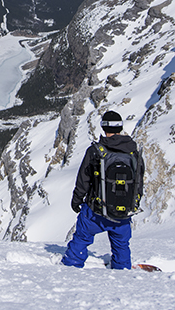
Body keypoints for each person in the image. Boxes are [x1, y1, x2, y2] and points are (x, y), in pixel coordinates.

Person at [61, 110, 144, 270]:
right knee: (121, 246)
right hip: (122, 212)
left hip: (95, 212)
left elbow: (83, 179)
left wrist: (77, 200)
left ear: (104, 128)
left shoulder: (96, 151)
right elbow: (138, 182)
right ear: (120, 127)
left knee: (81, 239)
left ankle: (70, 268)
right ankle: (123, 272)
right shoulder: (134, 154)